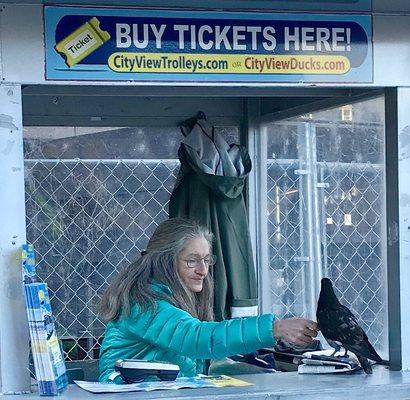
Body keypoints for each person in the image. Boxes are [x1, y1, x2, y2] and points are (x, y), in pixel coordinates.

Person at [98, 218, 318, 382]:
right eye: (192, 261)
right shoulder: (144, 303)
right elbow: (199, 338)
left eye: (206, 260)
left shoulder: (170, 298)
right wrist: (274, 328)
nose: (203, 270)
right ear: (164, 262)